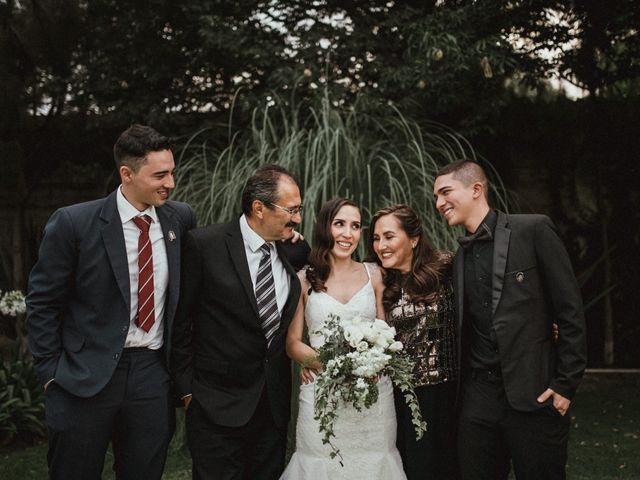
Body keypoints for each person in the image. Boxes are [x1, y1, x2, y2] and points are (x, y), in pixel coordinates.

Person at [26, 124, 197, 479]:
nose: (171, 183)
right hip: (82, 377)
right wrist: (49, 374)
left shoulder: (180, 219)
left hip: (152, 375)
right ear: (127, 174)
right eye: (160, 175)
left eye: (173, 173)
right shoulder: (74, 222)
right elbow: (43, 302)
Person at [433, 159, 587, 480]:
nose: (439, 203)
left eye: (445, 192)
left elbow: (569, 310)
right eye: (435, 197)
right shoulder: (459, 258)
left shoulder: (533, 230)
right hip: (479, 400)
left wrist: (565, 385)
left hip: (535, 394)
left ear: (476, 189)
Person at [170, 164, 306, 480]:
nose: (298, 218)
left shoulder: (294, 249)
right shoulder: (204, 245)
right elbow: (181, 323)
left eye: (299, 210)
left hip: (271, 409)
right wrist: (188, 391)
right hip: (215, 406)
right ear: (259, 207)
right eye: (291, 210)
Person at [281, 197, 407, 480]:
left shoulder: (374, 274)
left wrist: (368, 365)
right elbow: (292, 343)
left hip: (373, 395)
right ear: (326, 226)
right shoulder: (304, 279)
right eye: (340, 224)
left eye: (355, 226)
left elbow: (385, 333)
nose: (348, 234)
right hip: (321, 392)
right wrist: (329, 364)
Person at [369, 204, 458, 480]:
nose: (381, 245)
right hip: (404, 396)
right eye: (375, 238)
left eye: (389, 236)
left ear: (414, 239)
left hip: (450, 392)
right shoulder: (381, 281)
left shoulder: (446, 266)